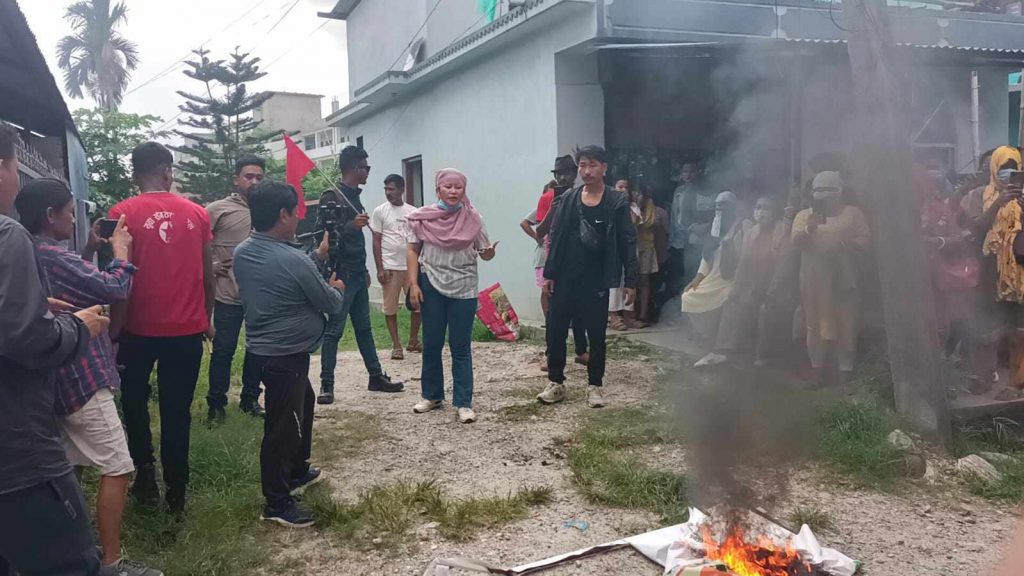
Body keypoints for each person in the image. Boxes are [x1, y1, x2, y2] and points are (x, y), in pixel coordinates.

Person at [14, 179, 161, 576]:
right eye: (67, 211)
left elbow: (68, 279)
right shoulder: (50, 253)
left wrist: (90, 250)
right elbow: (114, 287)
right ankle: (110, 563)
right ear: (50, 216)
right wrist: (121, 251)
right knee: (117, 466)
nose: (71, 218)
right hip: (82, 377)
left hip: (53, 377)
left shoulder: (27, 250)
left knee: (68, 469)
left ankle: (67, 554)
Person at [0, 123, 106, 576]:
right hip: (17, 451)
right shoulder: (8, 236)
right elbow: (28, 339)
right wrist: (76, 327)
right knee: (70, 564)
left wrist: (33, 304)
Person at [109, 141, 215, 513]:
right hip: (185, 331)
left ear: (134, 173)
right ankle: (177, 493)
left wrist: (114, 332)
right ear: (168, 170)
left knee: (134, 403)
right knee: (176, 411)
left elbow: (120, 282)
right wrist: (207, 317)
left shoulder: (122, 214)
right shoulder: (198, 214)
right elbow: (207, 275)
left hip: (137, 331)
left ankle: (145, 473)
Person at [234, 181, 345, 529]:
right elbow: (328, 302)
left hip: (263, 351)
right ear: (283, 214)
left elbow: (282, 275)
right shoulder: (292, 258)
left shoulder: (244, 251)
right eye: (296, 212)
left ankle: (296, 469)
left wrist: (316, 259)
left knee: (304, 404)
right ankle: (277, 501)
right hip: (285, 355)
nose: (299, 219)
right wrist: (337, 288)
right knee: (283, 426)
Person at [539, 146, 638, 408]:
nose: (586, 171)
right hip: (565, 276)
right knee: (556, 330)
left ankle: (595, 385)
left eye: (592, 165)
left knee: (596, 333)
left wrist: (631, 280)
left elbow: (627, 241)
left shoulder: (616, 202)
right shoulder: (570, 199)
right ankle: (556, 382)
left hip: (596, 279)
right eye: (582, 165)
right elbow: (557, 236)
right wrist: (549, 273)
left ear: (604, 168)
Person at [407, 168, 497, 424]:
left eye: (459, 187)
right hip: (431, 283)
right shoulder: (422, 218)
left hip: (464, 287)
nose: (454, 191)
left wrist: (489, 253)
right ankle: (432, 395)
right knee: (432, 343)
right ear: (438, 189)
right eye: (448, 186)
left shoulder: (473, 218)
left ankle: (463, 402)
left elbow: (484, 250)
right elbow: (413, 250)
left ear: (464, 190)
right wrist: (413, 283)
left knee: (460, 346)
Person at [315, 145, 403, 404]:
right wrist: (351, 226)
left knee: (364, 328)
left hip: (356, 271)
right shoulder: (332, 196)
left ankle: (375, 376)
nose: (368, 172)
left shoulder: (354, 196)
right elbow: (323, 237)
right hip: (340, 275)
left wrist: (365, 269)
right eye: (366, 167)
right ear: (355, 168)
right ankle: (326, 384)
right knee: (334, 331)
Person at [792, 171, 871, 386]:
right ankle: (817, 372)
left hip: (846, 279)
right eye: (818, 190)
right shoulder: (803, 215)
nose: (824, 195)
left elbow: (865, 239)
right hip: (813, 281)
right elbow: (796, 241)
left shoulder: (853, 214)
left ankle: (845, 373)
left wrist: (846, 246)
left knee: (847, 323)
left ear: (840, 191)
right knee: (814, 326)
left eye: (829, 190)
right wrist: (811, 227)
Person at [205, 155, 266, 423]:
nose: (254, 181)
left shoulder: (268, 208)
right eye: (248, 176)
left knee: (258, 349)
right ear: (236, 179)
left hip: (258, 294)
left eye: (259, 177)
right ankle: (216, 404)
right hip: (227, 293)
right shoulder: (218, 209)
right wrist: (212, 265)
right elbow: (198, 243)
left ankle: (250, 399)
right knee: (223, 349)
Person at [695, 195, 787, 367]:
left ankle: (762, 355)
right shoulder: (751, 233)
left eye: (766, 208)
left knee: (766, 311)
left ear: (775, 213)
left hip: (777, 289)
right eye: (758, 207)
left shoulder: (781, 232)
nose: (761, 212)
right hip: (754, 287)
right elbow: (743, 266)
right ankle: (722, 351)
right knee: (732, 303)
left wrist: (770, 293)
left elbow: (782, 270)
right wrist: (736, 291)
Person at [972, 146, 1024, 400]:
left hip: (1020, 271)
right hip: (990, 270)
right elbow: (976, 228)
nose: (1008, 174)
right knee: (989, 327)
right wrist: (999, 202)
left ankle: (1017, 382)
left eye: (1013, 168)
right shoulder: (981, 194)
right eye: (1003, 169)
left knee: (1018, 329)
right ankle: (985, 378)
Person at [370, 173, 421, 360]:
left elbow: (419, 238)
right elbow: (376, 240)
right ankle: (396, 345)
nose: (388, 192)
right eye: (386, 189)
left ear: (402, 189)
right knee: (390, 308)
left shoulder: (413, 212)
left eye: (391, 189)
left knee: (417, 304)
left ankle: (413, 340)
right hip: (390, 266)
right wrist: (380, 268)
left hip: (410, 266)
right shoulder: (380, 211)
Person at [682, 192, 740, 351]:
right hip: (712, 277)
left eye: (724, 206)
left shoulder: (740, 227)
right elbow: (706, 258)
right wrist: (698, 277)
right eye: (718, 206)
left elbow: (743, 259)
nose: (720, 210)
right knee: (688, 296)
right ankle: (707, 334)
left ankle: (719, 340)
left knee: (728, 299)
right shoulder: (715, 226)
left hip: (731, 279)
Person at [664, 162, 716, 317]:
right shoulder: (678, 191)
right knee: (680, 275)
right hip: (679, 240)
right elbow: (675, 217)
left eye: (692, 171)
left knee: (695, 273)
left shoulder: (706, 192)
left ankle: (697, 313)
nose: (688, 175)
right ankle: (682, 312)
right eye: (685, 171)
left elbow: (710, 214)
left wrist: (701, 228)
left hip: (698, 240)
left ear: (698, 173)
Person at [607, 178, 637, 331]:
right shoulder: (609, 206)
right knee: (614, 282)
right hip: (613, 250)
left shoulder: (632, 207)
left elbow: (634, 225)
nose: (623, 190)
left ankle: (628, 315)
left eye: (626, 187)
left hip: (629, 248)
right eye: (620, 187)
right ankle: (613, 316)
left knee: (629, 280)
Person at [632, 183, 658, 326]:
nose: (637, 195)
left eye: (639, 193)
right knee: (631, 282)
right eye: (634, 192)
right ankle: (630, 313)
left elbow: (647, 223)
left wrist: (638, 209)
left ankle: (643, 314)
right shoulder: (627, 204)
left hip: (646, 246)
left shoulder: (649, 204)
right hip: (631, 248)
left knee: (644, 281)